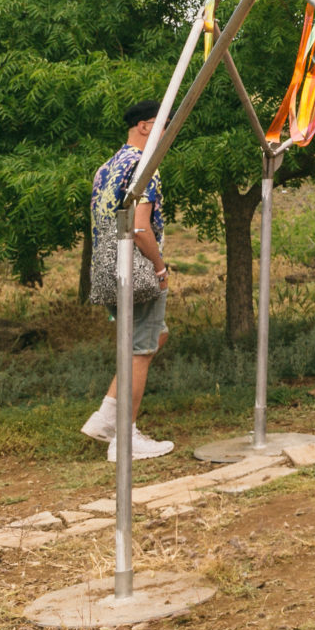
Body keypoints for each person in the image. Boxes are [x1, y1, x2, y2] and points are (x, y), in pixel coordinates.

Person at [81, 99, 175, 461]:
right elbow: (139, 226)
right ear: (145, 126)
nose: (167, 133)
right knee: (141, 349)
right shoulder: (144, 166)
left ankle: (107, 417)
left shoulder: (107, 167)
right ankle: (125, 438)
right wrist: (160, 267)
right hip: (137, 267)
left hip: (107, 268)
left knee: (152, 335)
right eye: (163, 125)